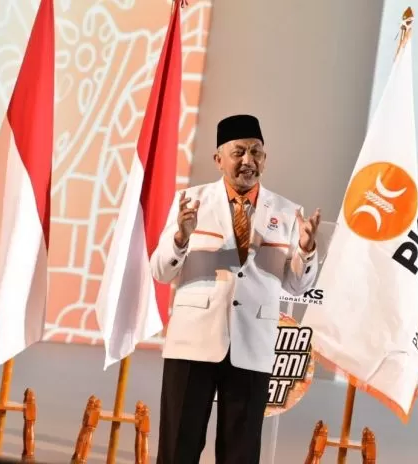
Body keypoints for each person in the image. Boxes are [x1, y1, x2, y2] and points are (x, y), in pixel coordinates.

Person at [151, 114, 321, 464]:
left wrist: (306, 250)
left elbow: (298, 285)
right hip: (193, 343)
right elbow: (160, 271)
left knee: (241, 454)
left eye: (256, 152)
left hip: (252, 343)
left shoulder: (288, 212)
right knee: (178, 448)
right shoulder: (190, 201)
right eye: (239, 152)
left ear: (265, 158)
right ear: (218, 159)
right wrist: (181, 237)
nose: (248, 160)